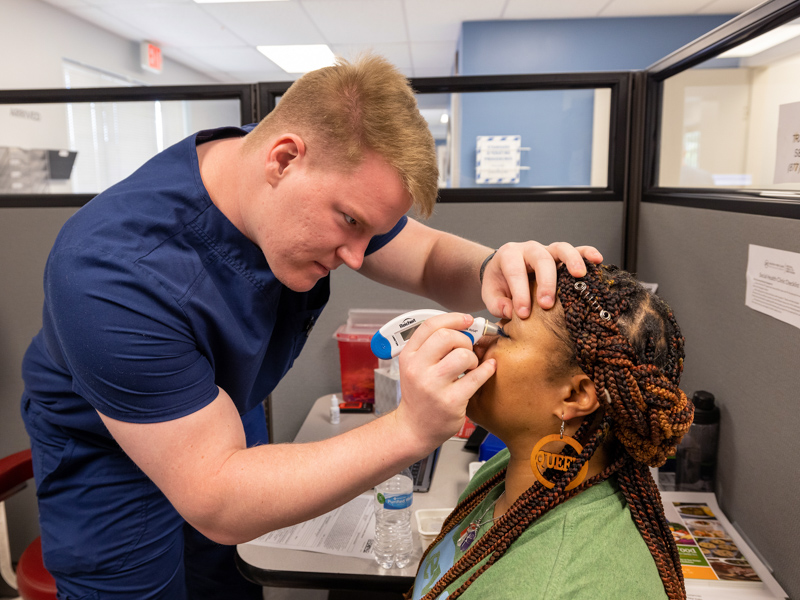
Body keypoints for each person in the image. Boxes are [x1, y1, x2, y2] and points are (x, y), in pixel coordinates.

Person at [20, 54, 601, 599]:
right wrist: (410, 429)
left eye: (370, 234)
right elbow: (218, 495)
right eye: (348, 222)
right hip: (108, 462)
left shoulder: (296, 164)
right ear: (283, 158)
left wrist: (491, 269)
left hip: (216, 407)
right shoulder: (112, 276)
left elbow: (425, 260)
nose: (357, 258)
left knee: (228, 582)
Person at [411, 262, 694, 600]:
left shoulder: (556, 585)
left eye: (504, 332)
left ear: (575, 396)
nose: (476, 340)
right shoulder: (505, 469)